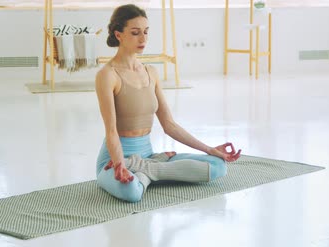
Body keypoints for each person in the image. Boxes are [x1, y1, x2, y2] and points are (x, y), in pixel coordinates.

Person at [95, 4, 241, 203]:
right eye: (136, 33)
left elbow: (169, 125)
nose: (143, 39)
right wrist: (120, 163)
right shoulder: (107, 75)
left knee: (218, 166)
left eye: (146, 32)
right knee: (131, 193)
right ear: (118, 34)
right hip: (114, 160)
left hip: (148, 155)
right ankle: (147, 169)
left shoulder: (151, 73)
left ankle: (146, 170)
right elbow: (111, 131)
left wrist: (210, 149)